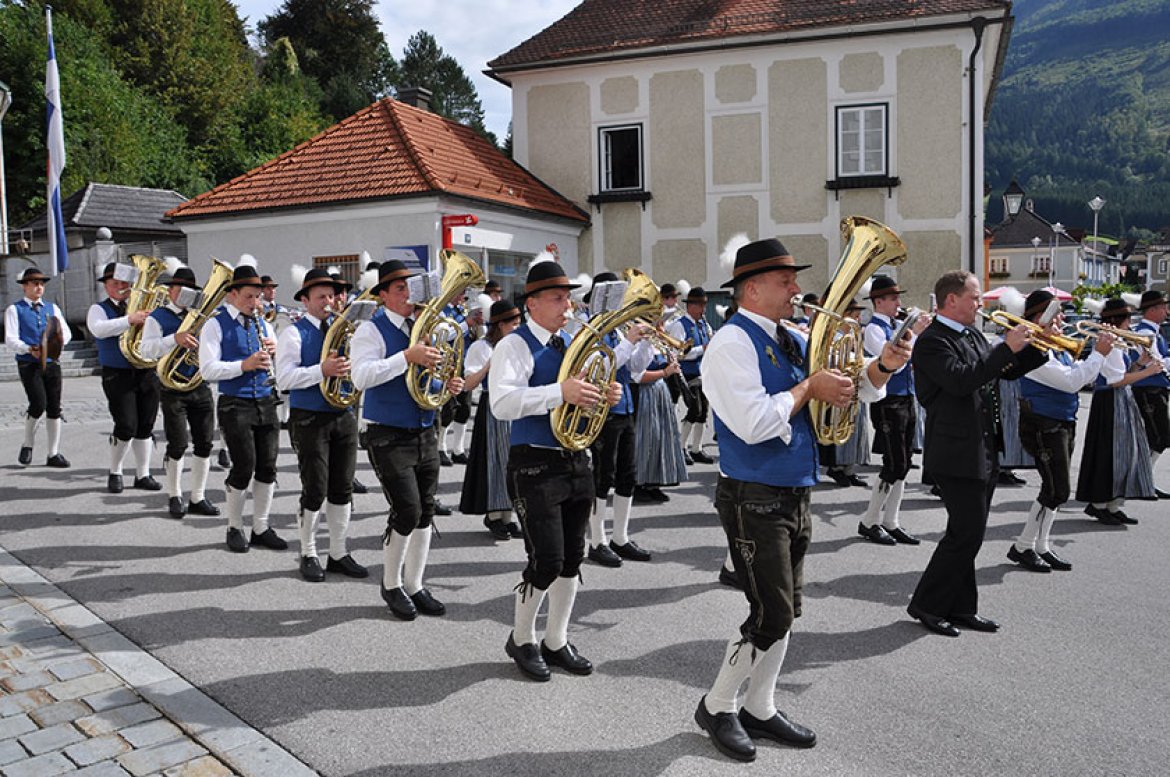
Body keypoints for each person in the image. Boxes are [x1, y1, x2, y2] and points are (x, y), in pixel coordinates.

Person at [693, 238, 909, 762]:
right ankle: (718, 704)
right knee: (770, 613)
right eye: (785, 281)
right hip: (753, 493)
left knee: (787, 612)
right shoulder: (730, 344)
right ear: (752, 288)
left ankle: (760, 705)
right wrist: (808, 388)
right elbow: (754, 422)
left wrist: (883, 364)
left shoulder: (789, 337)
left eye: (794, 280)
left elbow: (852, 386)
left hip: (792, 488)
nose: (796, 290)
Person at [490, 260, 622, 682]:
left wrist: (604, 395)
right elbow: (502, 404)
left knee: (572, 558)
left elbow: (583, 396)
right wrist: (558, 392)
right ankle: (522, 637)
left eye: (569, 297)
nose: (568, 305)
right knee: (545, 560)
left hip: (575, 457)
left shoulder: (574, 341)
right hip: (533, 462)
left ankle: (556, 639)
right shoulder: (514, 345)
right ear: (532, 303)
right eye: (558, 298)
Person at [905, 270, 1046, 638]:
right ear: (951, 300)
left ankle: (962, 607)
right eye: (975, 298)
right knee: (964, 534)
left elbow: (1004, 372)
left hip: (980, 447)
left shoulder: (969, 335)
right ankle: (926, 604)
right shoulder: (932, 341)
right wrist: (1005, 348)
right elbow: (962, 379)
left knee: (970, 533)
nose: (981, 304)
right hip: (954, 450)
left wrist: (1037, 346)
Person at [352, 260, 464, 620]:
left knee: (426, 510)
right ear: (382, 294)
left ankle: (415, 583)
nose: (408, 295)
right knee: (407, 509)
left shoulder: (423, 327)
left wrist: (444, 387)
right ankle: (391, 583)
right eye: (400, 289)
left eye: (411, 288)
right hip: (386, 431)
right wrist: (405, 356)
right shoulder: (371, 330)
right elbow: (361, 377)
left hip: (423, 427)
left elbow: (424, 382)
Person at [1008, 290, 1111, 572]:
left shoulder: (1055, 347)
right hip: (1043, 424)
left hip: (1061, 421)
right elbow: (1071, 381)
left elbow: (1079, 374)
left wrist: (1098, 356)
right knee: (1057, 490)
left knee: (1053, 490)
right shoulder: (1033, 351)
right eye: (1058, 313)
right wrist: (1099, 355)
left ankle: (1040, 545)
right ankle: (1023, 546)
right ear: (1041, 317)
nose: (1063, 318)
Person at [275, 268, 368, 582]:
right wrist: (322, 370)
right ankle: (308, 551)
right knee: (315, 488)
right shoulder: (293, 332)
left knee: (342, 488)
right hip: (309, 417)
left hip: (343, 414)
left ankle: (339, 552)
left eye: (331, 295)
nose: (328, 301)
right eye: (320, 297)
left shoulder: (346, 331)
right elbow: (284, 380)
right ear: (305, 301)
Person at [198, 263, 287, 554]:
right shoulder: (215, 323)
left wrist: (275, 351)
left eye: (258, 297)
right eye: (249, 296)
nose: (255, 303)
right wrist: (243, 365)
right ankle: (234, 526)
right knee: (244, 466)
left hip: (265, 400)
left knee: (268, 466)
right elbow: (208, 369)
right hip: (235, 403)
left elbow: (273, 354)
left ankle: (260, 526)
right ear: (232, 295)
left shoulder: (261, 322)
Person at [583, 271, 654, 567]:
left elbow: (635, 371)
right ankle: (596, 540)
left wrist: (646, 342)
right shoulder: (591, 330)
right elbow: (599, 364)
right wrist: (627, 341)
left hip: (624, 407)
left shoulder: (617, 330)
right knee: (602, 477)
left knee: (628, 475)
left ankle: (620, 537)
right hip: (601, 412)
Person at [140, 266, 219, 519]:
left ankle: (198, 496)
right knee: (177, 444)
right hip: (172, 387)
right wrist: (175, 338)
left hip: (199, 385)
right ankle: (174, 494)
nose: (183, 294)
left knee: (205, 443)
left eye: (188, 290)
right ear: (171, 290)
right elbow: (147, 350)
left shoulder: (201, 317)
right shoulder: (157, 317)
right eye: (179, 289)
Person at [1075, 298, 1161, 525]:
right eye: (1128, 320)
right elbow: (1115, 381)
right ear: (1118, 320)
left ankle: (1111, 504)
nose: (1130, 325)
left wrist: (1140, 364)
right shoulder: (1109, 343)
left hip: (1119, 398)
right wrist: (1149, 372)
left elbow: (1122, 374)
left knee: (1125, 453)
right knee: (1113, 454)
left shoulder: (1115, 342)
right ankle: (1100, 504)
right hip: (1111, 401)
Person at [858, 277, 929, 545]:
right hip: (888, 402)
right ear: (879, 302)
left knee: (903, 463)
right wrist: (917, 334)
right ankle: (870, 520)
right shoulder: (874, 330)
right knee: (893, 463)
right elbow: (894, 365)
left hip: (906, 398)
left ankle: (891, 521)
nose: (899, 303)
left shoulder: (897, 326)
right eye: (894, 298)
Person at [88, 262, 161, 494]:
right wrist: (131, 320)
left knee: (146, 425)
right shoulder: (98, 309)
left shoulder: (143, 307)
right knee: (126, 425)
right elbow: (99, 329)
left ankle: (143, 474)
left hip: (146, 371)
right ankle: (115, 471)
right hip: (117, 373)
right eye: (115, 283)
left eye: (124, 283)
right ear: (107, 286)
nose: (121, 287)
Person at [459, 299, 524, 540]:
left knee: (513, 459)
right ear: (499, 325)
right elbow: (468, 383)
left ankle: (508, 516)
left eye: (519, 323)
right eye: (513, 324)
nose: (517, 328)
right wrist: (489, 365)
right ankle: (494, 515)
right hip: (492, 405)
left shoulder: (517, 345)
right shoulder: (480, 347)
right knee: (495, 461)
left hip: (514, 403)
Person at [6, 267, 71, 467]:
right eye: (34, 283)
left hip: (52, 362)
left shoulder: (52, 308)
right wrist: (28, 348)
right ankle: (28, 443)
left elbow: (65, 332)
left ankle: (53, 453)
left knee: (54, 407)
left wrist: (57, 343)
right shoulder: (15, 309)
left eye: (41, 284)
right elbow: (10, 339)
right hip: (29, 363)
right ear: (25, 287)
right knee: (38, 404)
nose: (39, 287)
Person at [822, 298, 871, 489]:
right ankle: (837, 468)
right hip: (840, 387)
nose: (857, 321)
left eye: (858, 317)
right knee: (841, 428)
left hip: (854, 387)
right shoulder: (832, 338)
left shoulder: (852, 338)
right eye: (854, 316)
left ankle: (850, 469)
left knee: (855, 429)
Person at [668, 286, 715, 464]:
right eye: (701, 305)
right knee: (694, 409)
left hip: (702, 373)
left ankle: (697, 448)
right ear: (691, 306)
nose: (703, 309)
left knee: (703, 412)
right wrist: (701, 349)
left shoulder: (703, 324)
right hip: (686, 374)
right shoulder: (680, 325)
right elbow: (678, 353)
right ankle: (681, 447)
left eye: (704, 305)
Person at [1131, 290, 1170, 498]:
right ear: (1153, 310)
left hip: (1155, 387)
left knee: (1157, 437)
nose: (1166, 311)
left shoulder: (1154, 331)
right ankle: (1142, 480)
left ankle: (1145, 479)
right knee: (1159, 436)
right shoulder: (1146, 333)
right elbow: (1158, 362)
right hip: (1148, 388)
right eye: (1163, 307)